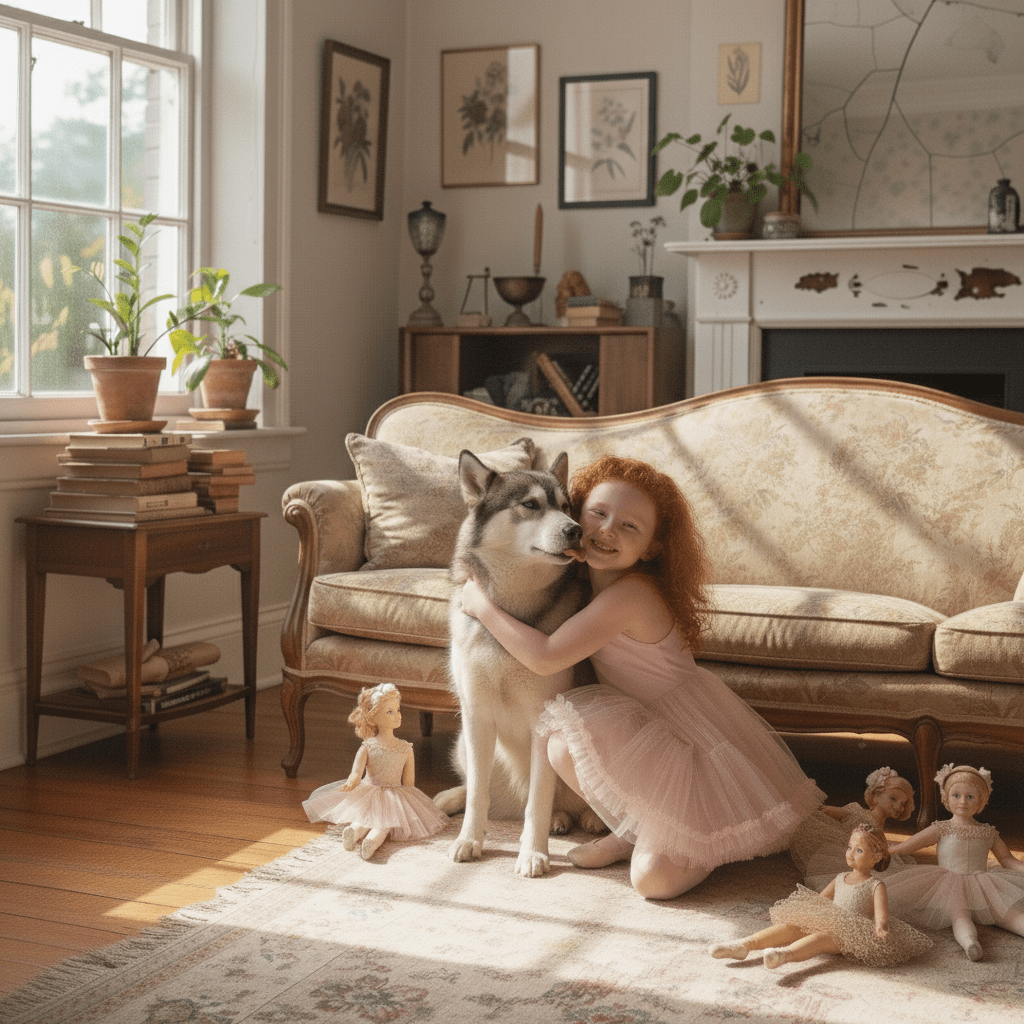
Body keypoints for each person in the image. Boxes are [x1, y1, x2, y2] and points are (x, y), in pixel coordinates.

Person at [460, 455, 824, 899]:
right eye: (598, 514)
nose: (608, 530)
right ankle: (632, 831)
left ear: (651, 548)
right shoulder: (582, 575)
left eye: (629, 527)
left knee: (652, 882)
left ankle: (700, 844)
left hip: (688, 740)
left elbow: (545, 656)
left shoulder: (631, 595)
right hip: (639, 729)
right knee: (561, 742)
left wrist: (481, 606)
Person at [708, 823, 932, 969]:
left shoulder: (875, 885)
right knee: (792, 926)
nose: (851, 854)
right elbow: (820, 900)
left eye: (859, 850)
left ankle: (784, 955)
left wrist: (881, 927)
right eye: (849, 847)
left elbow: (882, 914)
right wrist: (804, 913)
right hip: (831, 918)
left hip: (853, 931)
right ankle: (744, 945)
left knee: (821, 939)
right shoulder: (841, 877)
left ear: (877, 856)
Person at [883, 764, 1024, 960]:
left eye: (970, 797)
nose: (963, 802)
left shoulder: (988, 832)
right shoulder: (942, 828)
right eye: (956, 795)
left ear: (981, 801)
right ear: (946, 798)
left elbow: (1007, 859)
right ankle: (970, 943)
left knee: (1007, 914)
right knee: (960, 915)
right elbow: (910, 845)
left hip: (983, 883)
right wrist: (890, 851)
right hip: (948, 884)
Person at [302, 682, 448, 860]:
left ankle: (362, 837)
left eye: (398, 710)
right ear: (373, 717)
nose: (397, 715)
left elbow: (409, 782)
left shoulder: (399, 748)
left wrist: (355, 780)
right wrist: (352, 781)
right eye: (389, 711)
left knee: (372, 820)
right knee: (382, 823)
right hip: (386, 792)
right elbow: (359, 773)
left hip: (372, 792)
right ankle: (360, 837)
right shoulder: (377, 746)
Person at [790, 766, 918, 890]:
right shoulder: (857, 811)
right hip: (846, 851)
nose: (898, 807)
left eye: (903, 804)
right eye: (893, 799)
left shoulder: (879, 829)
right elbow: (827, 812)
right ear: (876, 796)